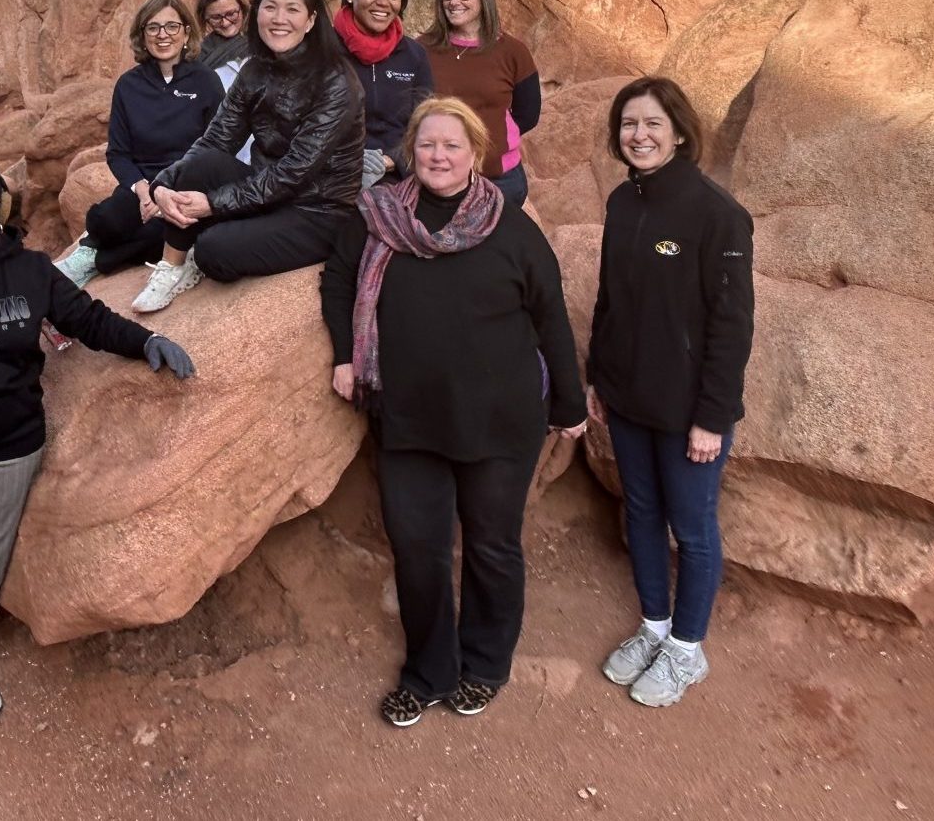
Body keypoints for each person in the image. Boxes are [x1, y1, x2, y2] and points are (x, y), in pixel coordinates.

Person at [0, 160, 196, 728]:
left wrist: (146, 341)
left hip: (13, 448)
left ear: (1, 209)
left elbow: (87, 319)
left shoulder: (31, 271)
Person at [320, 96, 585, 728]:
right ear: (411, 150)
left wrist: (571, 404)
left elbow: (550, 315)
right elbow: (337, 279)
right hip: (408, 417)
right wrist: (342, 356)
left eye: (453, 145)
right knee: (418, 550)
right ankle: (429, 670)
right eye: (428, 144)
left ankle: (487, 664)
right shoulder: (377, 215)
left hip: (499, 422)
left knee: (492, 547)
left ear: (476, 155)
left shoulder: (512, 227)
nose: (439, 155)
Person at [587, 76, 753, 709]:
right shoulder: (622, 204)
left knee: (693, 526)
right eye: (630, 124)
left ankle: (687, 648)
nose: (640, 135)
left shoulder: (717, 214)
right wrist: (598, 376)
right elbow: (610, 300)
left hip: (690, 412)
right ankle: (654, 626)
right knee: (642, 514)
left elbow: (733, 328)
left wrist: (712, 417)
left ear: (680, 132)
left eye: (654, 123)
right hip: (629, 398)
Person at [135, 0, 365, 313]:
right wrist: (162, 185)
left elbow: (292, 174)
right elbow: (215, 142)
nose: (279, 18)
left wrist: (212, 204)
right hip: (266, 193)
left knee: (214, 250)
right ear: (257, 13)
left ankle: (198, 258)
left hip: (317, 211)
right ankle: (171, 267)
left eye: (292, 9)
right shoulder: (255, 70)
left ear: (312, 19)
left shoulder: (336, 82)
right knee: (204, 163)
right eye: (270, 7)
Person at [53, 0, 224, 285]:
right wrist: (145, 192)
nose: (162, 35)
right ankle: (95, 240)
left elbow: (218, 148)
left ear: (186, 32)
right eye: (153, 27)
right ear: (142, 35)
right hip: (141, 186)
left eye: (171, 26)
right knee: (103, 220)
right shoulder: (128, 85)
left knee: (159, 234)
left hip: (184, 187)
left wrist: (170, 195)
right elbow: (118, 153)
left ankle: (94, 258)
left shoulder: (206, 81)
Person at [420, 0, 542, 207]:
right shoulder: (422, 49)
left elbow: (528, 113)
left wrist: (493, 141)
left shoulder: (512, 51)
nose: (454, 1)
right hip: (439, 178)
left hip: (499, 179)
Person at [332, 0, 432, 188]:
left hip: (399, 175)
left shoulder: (413, 55)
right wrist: (349, 161)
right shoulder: (323, 50)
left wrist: (391, 160)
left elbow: (425, 123)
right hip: (333, 177)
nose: (384, 2)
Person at [194, 0, 250, 81]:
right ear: (204, 17)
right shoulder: (199, 54)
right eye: (215, 17)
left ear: (242, 7)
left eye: (231, 14)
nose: (225, 23)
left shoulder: (262, 41)